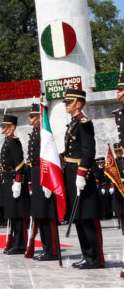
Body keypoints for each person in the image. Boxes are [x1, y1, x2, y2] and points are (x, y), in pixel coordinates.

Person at [63, 88, 104, 269]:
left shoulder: (84, 123)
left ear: (77, 103)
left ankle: (96, 258)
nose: (65, 104)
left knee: (88, 217)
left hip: (81, 174)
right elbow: (69, 152)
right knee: (78, 216)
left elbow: (88, 152)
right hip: (71, 172)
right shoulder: (73, 123)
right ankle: (86, 255)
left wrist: (81, 173)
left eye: (68, 101)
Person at [27, 102, 59, 261]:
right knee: (41, 214)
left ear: (40, 118)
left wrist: (47, 182)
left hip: (43, 174)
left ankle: (52, 250)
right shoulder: (34, 134)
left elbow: (48, 156)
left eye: (33, 115)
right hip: (35, 174)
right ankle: (46, 248)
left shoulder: (44, 133)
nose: (30, 118)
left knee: (48, 214)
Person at [0, 115, 30, 254]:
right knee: (13, 214)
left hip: (14, 180)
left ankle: (21, 245)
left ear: (12, 127)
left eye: (5, 125)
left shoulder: (14, 142)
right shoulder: (7, 141)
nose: (2, 127)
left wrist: (18, 182)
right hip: (8, 179)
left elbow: (19, 163)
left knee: (19, 214)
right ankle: (16, 243)